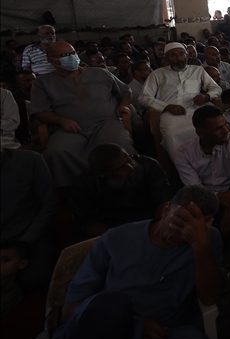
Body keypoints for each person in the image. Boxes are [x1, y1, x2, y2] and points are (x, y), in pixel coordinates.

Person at [48, 186, 228, 339]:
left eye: (195, 227)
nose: (184, 233)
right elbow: (71, 311)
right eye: (180, 221)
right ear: (166, 209)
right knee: (113, 303)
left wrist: (201, 245)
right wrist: (134, 324)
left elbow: (209, 297)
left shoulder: (208, 240)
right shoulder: (116, 238)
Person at [30, 41, 136, 188]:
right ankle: (78, 191)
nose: (71, 58)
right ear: (51, 59)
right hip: (69, 128)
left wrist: (123, 104)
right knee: (58, 151)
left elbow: (126, 91)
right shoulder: (43, 82)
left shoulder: (100, 73)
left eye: (72, 54)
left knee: (119, 142)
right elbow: (40, 111)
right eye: (64, 55)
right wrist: (61, 120)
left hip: (105, 123)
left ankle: (128, 185)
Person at [174, 106, 230, 237]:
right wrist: (218, 197)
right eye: (218, 129)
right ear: (201, 133)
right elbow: (195, 188)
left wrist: (229, 208)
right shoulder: (183, 153)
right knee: (188, 199)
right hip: (205, 197)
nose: (226, 131)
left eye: (225, 125)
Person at [139, 42, 222, 156]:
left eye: (181, 54)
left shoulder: (197, 70)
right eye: (173, 55)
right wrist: (167, 106)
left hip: (197, 110)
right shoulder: (157, 74)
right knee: (172, 134)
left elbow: (216, 88)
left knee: (211, 128)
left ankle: (212, 160)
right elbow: (143, 97)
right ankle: (183, 166)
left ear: (187, 55)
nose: (179, 58)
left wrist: (206, 96)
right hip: (170, 114)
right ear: (167, 58)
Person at [71, 143, 171, 238]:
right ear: (101, 174)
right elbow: (88, 223)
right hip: (112, 227)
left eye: (129, 160)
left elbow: (165, 201)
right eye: (120, 168)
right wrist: (118, 238)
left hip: (151, 219)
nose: (130, 167)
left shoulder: (148, 165)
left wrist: (158, 228)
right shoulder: (84, 184)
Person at [0, 148, 59, 292]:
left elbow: (50, 203)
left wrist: (24, 242)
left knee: (32, 279)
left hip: (30, 234)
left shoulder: (29, 160)